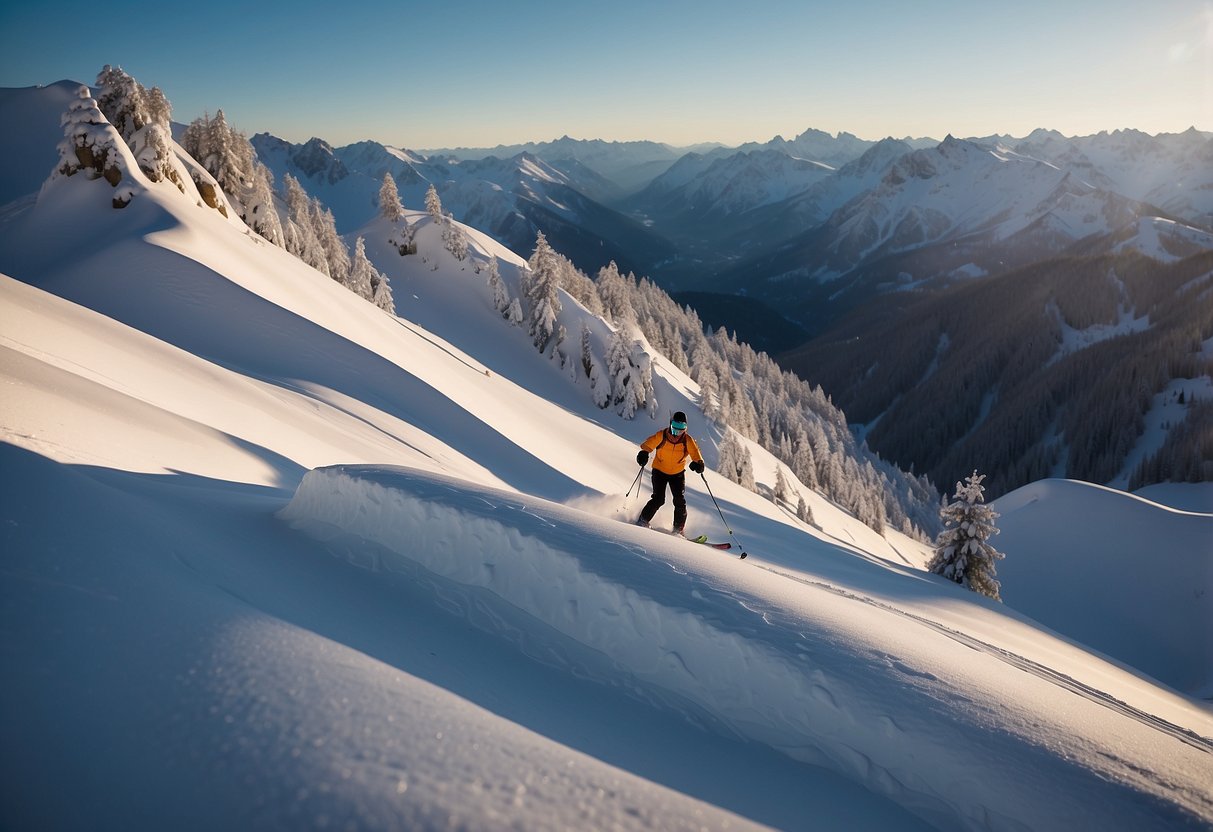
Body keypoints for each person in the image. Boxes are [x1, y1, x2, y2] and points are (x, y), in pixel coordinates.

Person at [635, 411, 705, 536]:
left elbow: (696, 453)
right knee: (658, 499)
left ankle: (678, 530)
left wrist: (699, 463)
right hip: (659, 471)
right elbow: (648, 444)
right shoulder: (662, 435)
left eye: (681, 428)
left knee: (679, 501)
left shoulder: (687, 440)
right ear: (670, 425)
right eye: (675, 427)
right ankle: (643, 520)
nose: (677, 432)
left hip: (677, 474)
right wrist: (644, 453)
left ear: (685, 428)